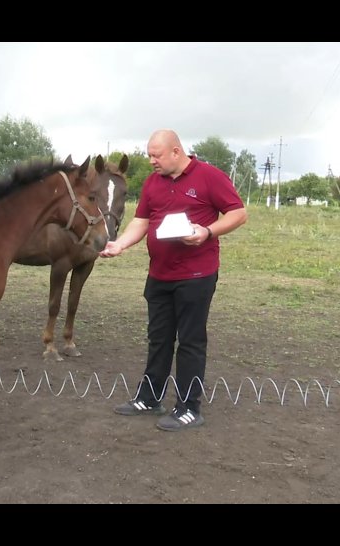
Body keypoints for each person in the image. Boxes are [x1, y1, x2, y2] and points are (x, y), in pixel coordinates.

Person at [99, 130, 247, 431]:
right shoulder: (154, 182)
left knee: (190, 342)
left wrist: (207, 231)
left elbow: (238, 213)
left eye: (157, 155)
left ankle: (189, 408)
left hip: (196, 275)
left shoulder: (209, 176)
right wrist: (121, 244)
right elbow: (142, 220)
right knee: (159, 338)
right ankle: (150, 398)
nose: (151, 161)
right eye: (149, 154)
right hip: (159, 274)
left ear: (176, 152)